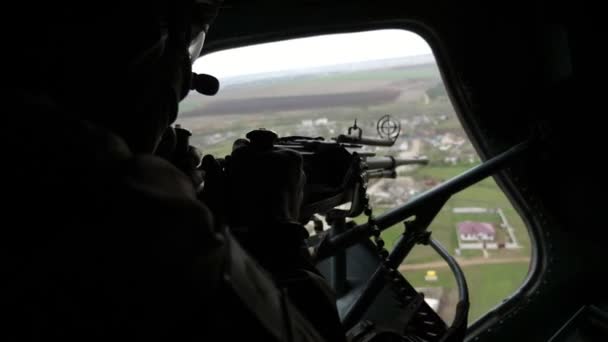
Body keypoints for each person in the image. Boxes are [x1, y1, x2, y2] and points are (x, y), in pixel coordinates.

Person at [3, 1, 344, 341]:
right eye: (180, 50)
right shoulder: (116, 196)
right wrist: (275, 229)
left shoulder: (33, 153)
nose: (183, 85)